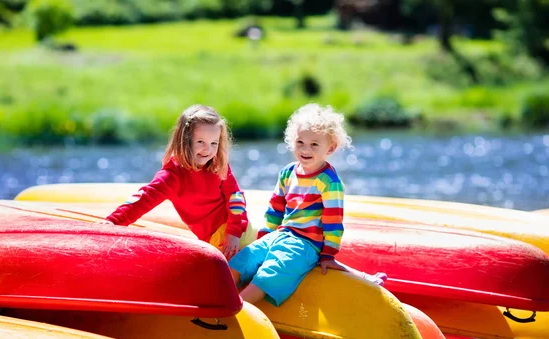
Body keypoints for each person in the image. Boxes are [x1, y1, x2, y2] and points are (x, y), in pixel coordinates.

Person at [228, 103, 386, 306]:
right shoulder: (287, 172)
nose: (305, 149)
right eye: (300, 142)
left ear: (330, 148)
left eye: (314, 145)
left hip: (306, 245)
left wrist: (328, 254)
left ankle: (235, 309)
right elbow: (275, 208)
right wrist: (265, 239)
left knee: (269, 275)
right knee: (240, 262)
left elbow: (333, 222)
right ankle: (218, 300)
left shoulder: (329, 182)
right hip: (280, 236)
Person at [99, 104, 248, 260]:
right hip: (215, 241)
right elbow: (144, 198)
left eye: (214, 143)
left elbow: (235, 196)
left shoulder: (218, 164)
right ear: (184, 140)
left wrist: (233, 232)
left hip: (234, 233)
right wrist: (113, 221)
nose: (207, 150)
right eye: (200, 142)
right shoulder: (173, 176)